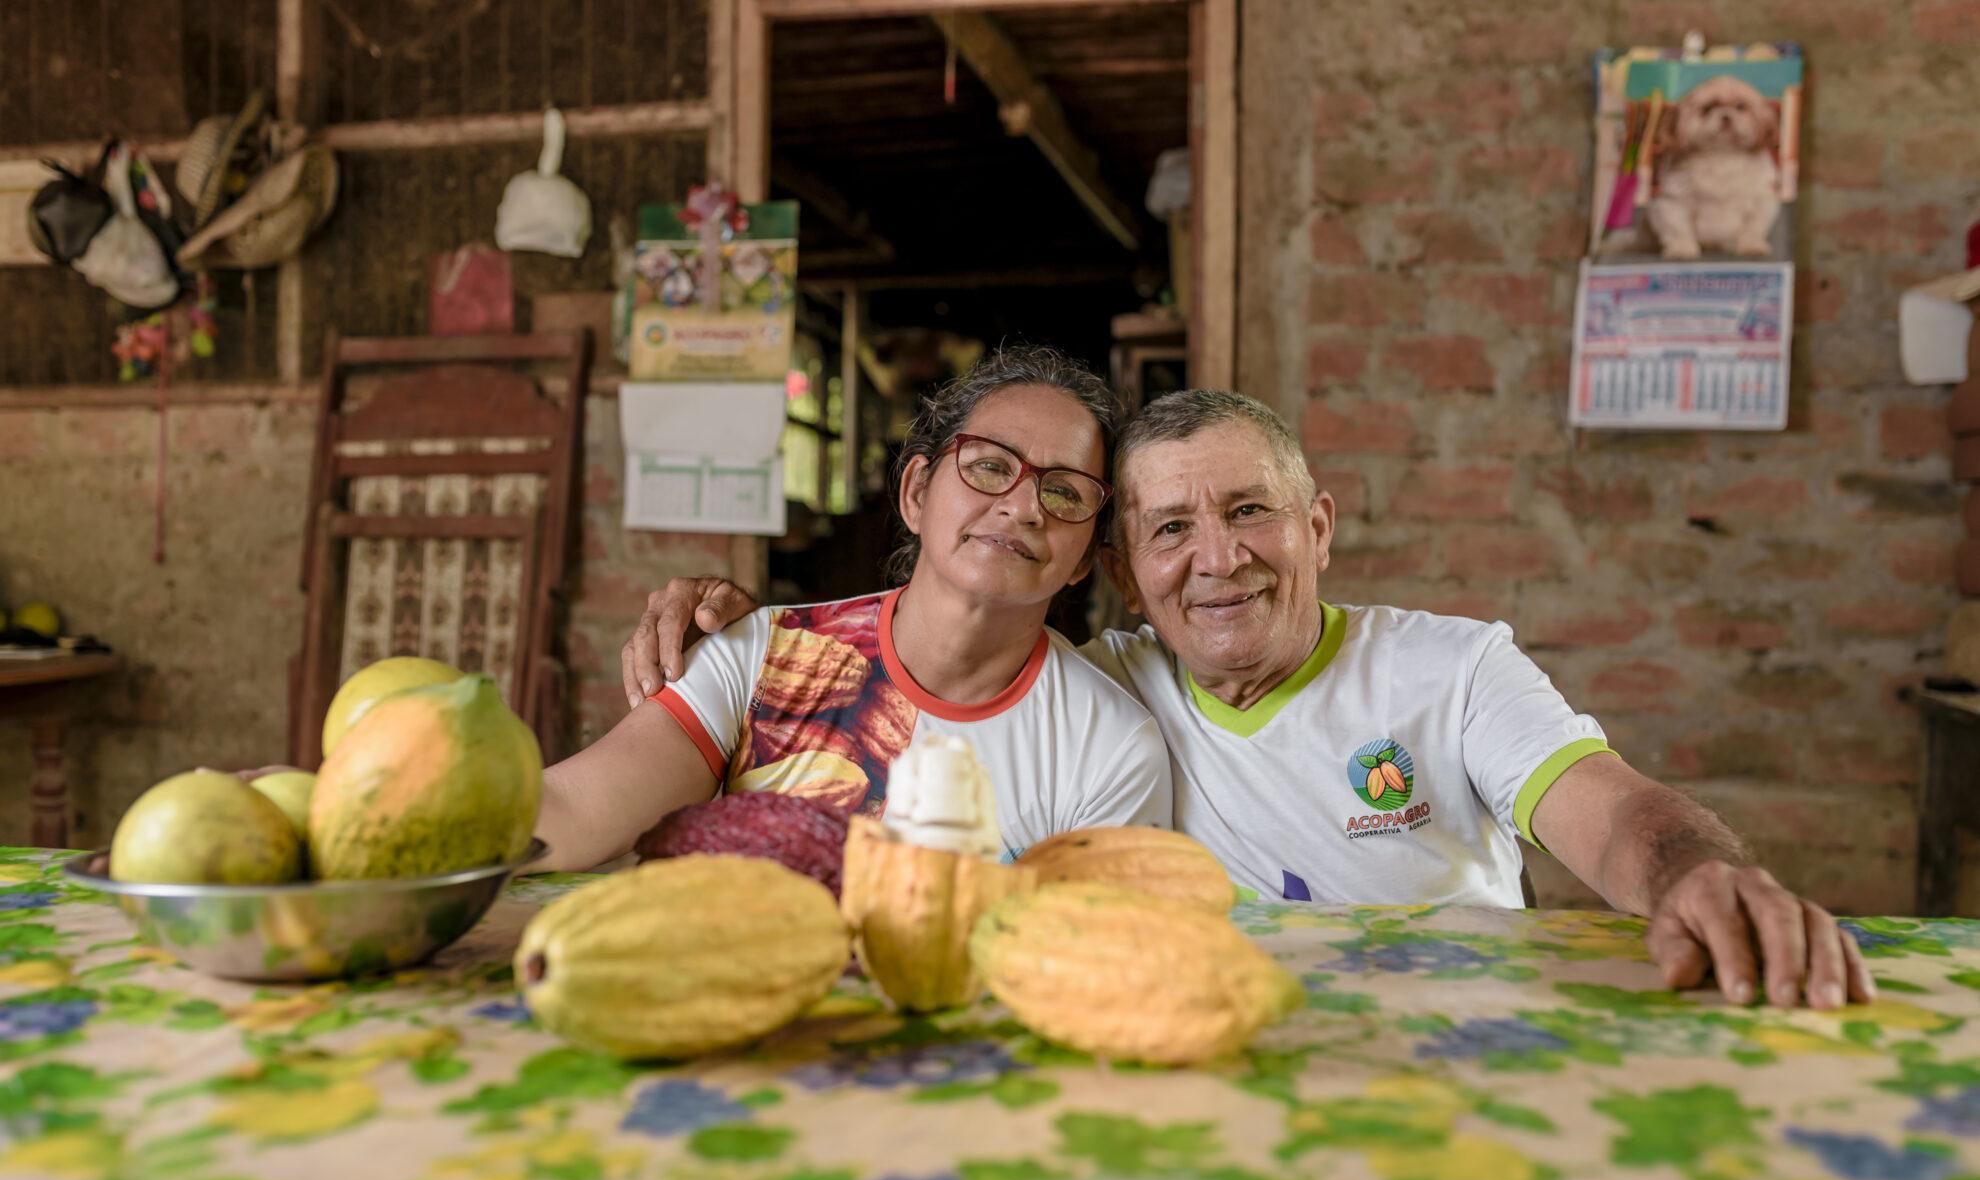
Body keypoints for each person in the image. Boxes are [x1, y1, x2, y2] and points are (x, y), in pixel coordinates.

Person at [624, 389, 1874, 1011]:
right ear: (1124, 571)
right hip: (1226, 1056)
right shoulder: (1099, 691)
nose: (1217, 558)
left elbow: (1612, 809)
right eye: (1169, 528)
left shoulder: (1453, 669)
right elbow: (939, 639)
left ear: (1317, 525)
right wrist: (746, 627)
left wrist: (1697, 875)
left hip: (1464, 1046)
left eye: (1249, 511)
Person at [532, 346, 1169, 873]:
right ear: (916, 493)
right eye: (988, 465)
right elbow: (572, 812)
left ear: (1085, 557)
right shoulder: (759, 656)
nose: (1023, 506)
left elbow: (1080, 950)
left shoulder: (1109, 748)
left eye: (1065, 492)